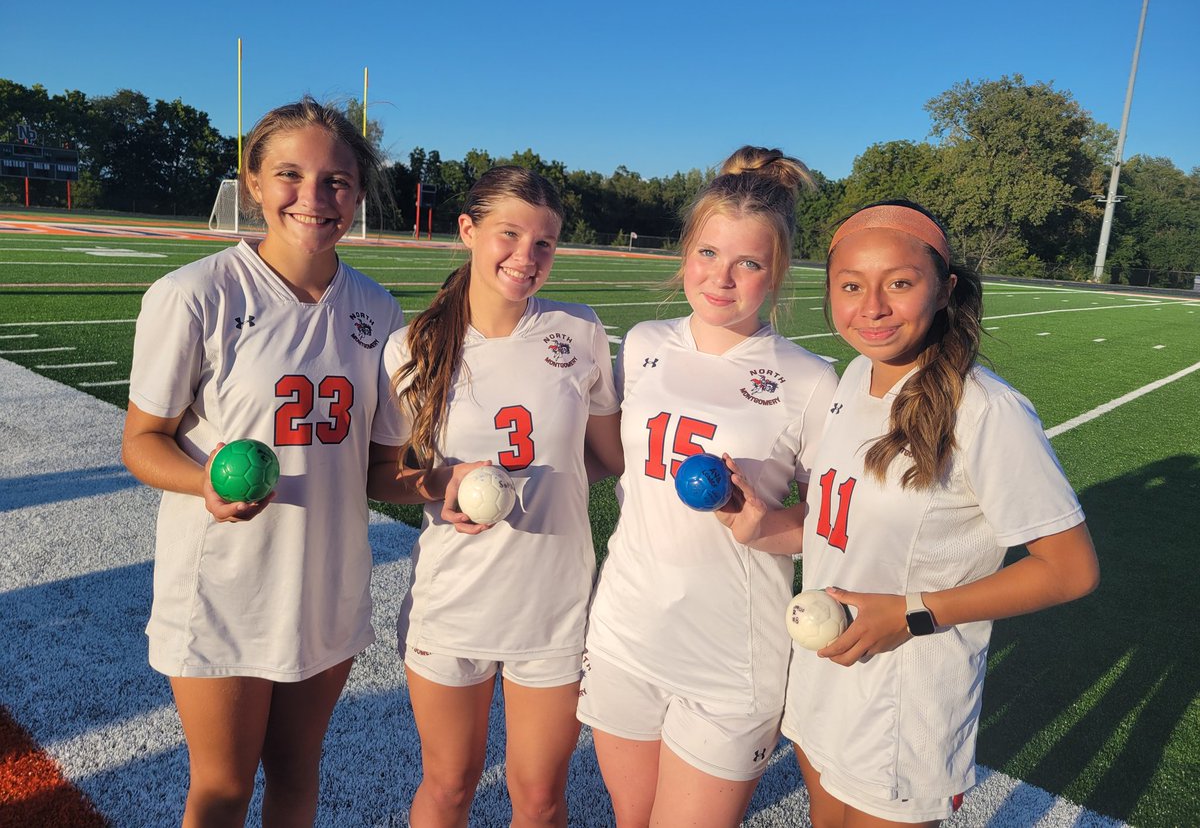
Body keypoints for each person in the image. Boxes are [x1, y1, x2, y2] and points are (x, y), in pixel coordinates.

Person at [121, 98, 405, 826]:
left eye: (337, 181)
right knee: (222, 786)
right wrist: (205, 485)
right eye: (290, 175)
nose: (313, 198)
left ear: (359, 193)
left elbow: (379, 468)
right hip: (225, 584)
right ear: (251, 181)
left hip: (327, 581)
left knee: (297, 774)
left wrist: (446, 488)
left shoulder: (378, 308)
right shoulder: (194, 295)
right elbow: (143, 441)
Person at [781, 200, 1101, 827]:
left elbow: (1070, 570)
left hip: (908, 694)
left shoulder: (988, 412)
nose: (871, 307)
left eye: (899, 283)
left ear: (944, 288)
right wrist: (753, 519)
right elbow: (832, 519)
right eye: (851, 286)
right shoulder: (852, 378)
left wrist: (915, 612)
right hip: (825, 673)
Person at [578, 147, 840, 827]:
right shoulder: (642, 344)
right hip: (624, 636)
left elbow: (841, 518)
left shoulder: (811, 381)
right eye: (707, 254)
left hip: (731, 661)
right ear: (685, 253)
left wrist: (768, 526)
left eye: (747, 263)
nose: (721, 279)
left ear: (776, 274)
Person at [381, 165, 623, 828]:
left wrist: (547, 486)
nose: (527, 256)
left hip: (553, 605)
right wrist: (441, 484)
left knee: (540, 799)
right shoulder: (413, 348)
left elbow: (606, 456)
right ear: (468, 230)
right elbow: (382, 475)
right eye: (508, 235)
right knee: (451, 786)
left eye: (544, 243)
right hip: (453, 600)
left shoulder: (579, 331)